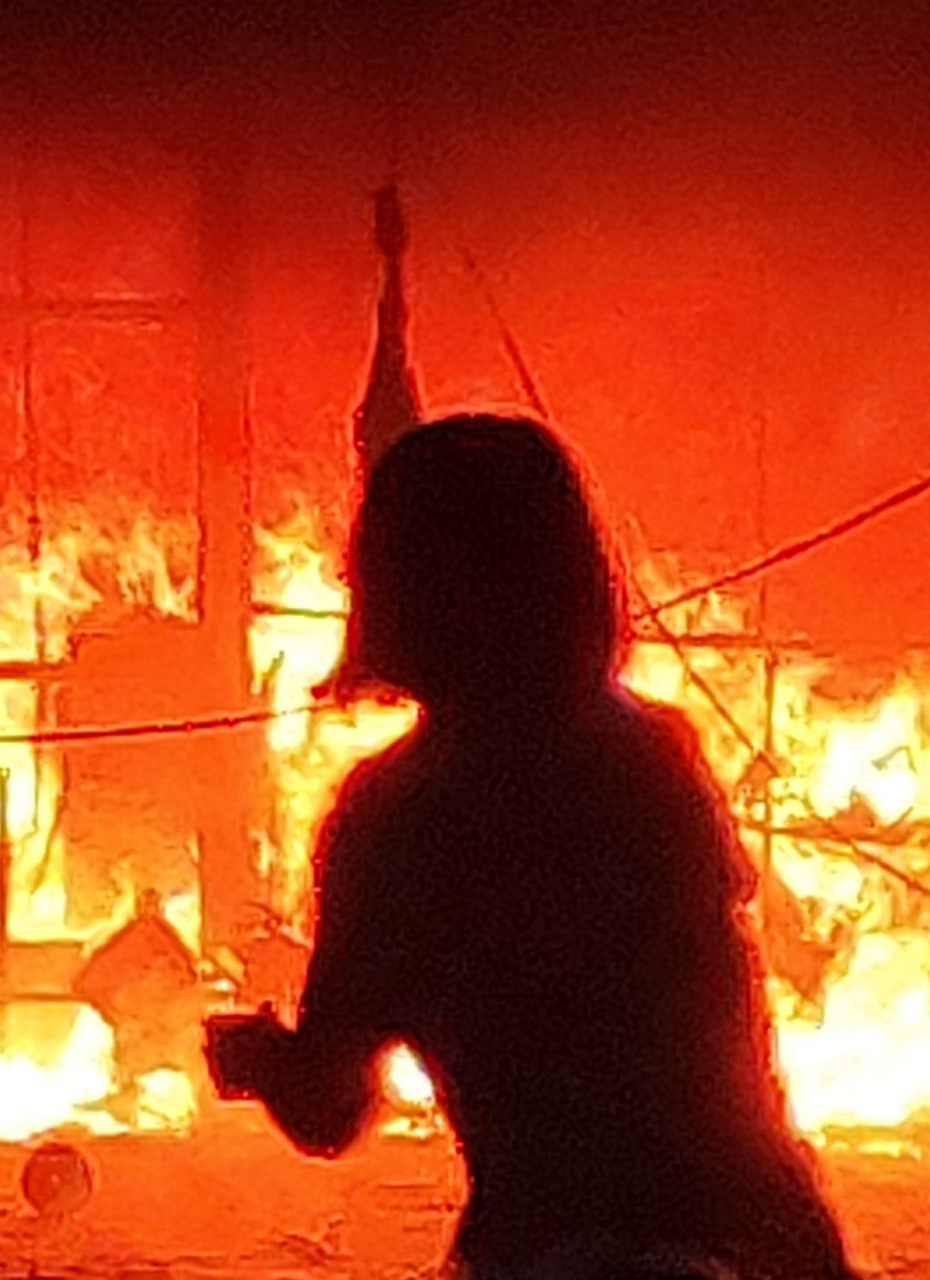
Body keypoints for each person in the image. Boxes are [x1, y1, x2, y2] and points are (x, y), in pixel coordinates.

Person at [206, 416, 856, 1280]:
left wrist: (256, 1057)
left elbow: (328, 1110)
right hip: (767, 1237)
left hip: (560, 1247)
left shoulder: (400, 813)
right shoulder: (657, 755)